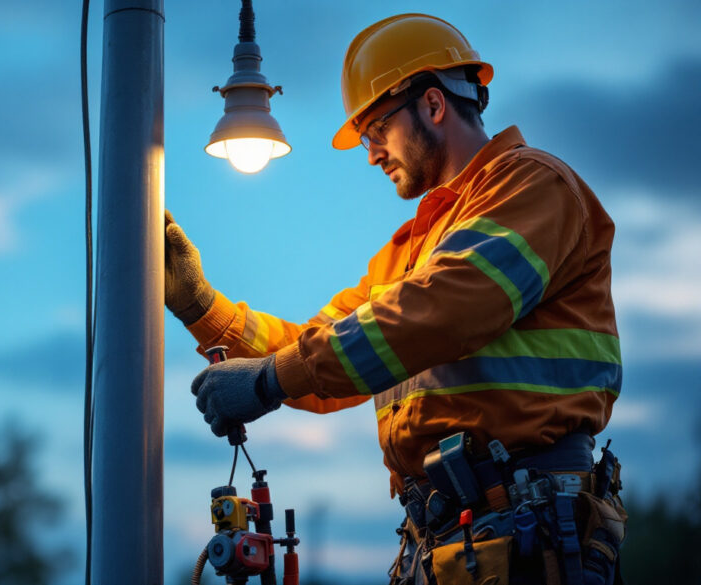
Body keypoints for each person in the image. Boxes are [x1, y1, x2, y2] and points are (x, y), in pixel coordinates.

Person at [166, 13, 627, 585]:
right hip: (452, 543)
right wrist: (201, 307)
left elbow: (448, 310)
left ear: (433, 105)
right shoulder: (414, 251)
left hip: (528, 537)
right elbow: (312, 350)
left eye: (377, 129)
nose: (370, 153)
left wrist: (267, 381)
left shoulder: (533, 186)